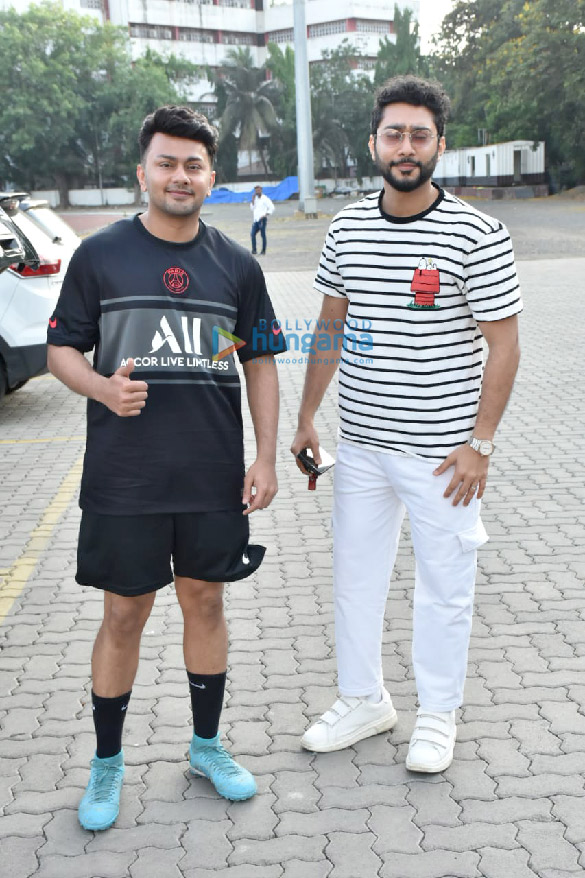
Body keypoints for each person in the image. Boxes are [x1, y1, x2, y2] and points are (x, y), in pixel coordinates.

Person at [46, 105, 286, 831]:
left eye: (193, 165)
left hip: (210, 475)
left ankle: (206, 747)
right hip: (125, 477)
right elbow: (62, 350)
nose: (180, 176)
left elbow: (260, 361)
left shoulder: (236, 265)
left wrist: (265, 455)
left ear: (212, 177)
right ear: (143, 171)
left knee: (205, 602)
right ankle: (107, 764)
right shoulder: (100, 255)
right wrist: (101, 387)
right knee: (123, 613)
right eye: (166, 163)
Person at [291, 75, 522, 773]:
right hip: (360, 445)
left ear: (438, 146)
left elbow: (503, 344)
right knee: (354, 578)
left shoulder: (475, 234)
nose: (405, 146)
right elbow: (330, 328)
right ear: (373, 143)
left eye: (419, 134)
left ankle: (436, 714)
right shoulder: (347, 227)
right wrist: (306, 417)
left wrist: (480, 443)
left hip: (442, 456)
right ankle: (363, 699)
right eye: (393, 132)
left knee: (444, 586)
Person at [250, 184, 274, 255]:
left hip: (262, 219)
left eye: (258, 190)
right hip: (256, 220)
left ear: (261, 190)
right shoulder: (255, 199)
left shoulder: (265, 199)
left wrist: (265, 215)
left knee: (262, 235)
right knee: (252, 234)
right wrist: (253, 200)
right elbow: (252, 209)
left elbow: (272, 208)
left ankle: (263, 250)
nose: (257, 191)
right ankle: (254, 250)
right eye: (256, 190)